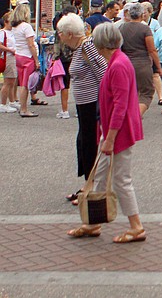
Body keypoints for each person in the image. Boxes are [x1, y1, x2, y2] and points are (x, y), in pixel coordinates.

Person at [67, 22, 146, 244]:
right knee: (100, 177)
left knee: (121, 179)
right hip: (113, 129)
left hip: (118, 131)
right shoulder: (118, 62)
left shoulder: (118, 65)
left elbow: (120, 106)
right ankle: (93, 222)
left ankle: (136, 226)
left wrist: (109, 138)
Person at [57, 14, 108, 206]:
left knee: (89, 144)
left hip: (92, 103)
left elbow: (103, 72)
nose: (59, 36)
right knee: (83, 143)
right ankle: (88, 183)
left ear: (69, 34)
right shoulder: (80, 48)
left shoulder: (87, 46)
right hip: (84, 104)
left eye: (61, 33)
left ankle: (91, 186)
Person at [119, 2, 162, 117]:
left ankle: (128, 114)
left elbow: (118, 47)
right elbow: (152, 50)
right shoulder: (145, 29)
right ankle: (135, 117)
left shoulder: (122, 27)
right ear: (142, 14)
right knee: (146, 93)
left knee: (130, 92)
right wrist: (159, 68)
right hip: (142, 64)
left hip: (125, 64)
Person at [10, 0, 40, 117]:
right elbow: (31, 45)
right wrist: (36, 60)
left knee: (20, 82)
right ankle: (24, 109)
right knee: (25, 85)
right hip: (27, 57)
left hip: (18, 55)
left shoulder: (14, 27)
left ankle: (19, 105)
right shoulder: (26, 27)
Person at [142, 2, 162, 106]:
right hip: (142, 51)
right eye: (142, 12)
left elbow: (159, 35)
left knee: (155, 74)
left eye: (145, 12)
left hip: (153, 49)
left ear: (150, 12)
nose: (143, 14)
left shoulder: (155, 23)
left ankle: (160, 97)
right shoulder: (139, 23)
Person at [0, 12, 19, 113]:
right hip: (8, 57)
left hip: (12, 57)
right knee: (8, 81)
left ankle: (11, 101)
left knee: (12, 81)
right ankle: (3, 104)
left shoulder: (12, 32)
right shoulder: (3, 32)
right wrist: (10, 50)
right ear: (6, 22)